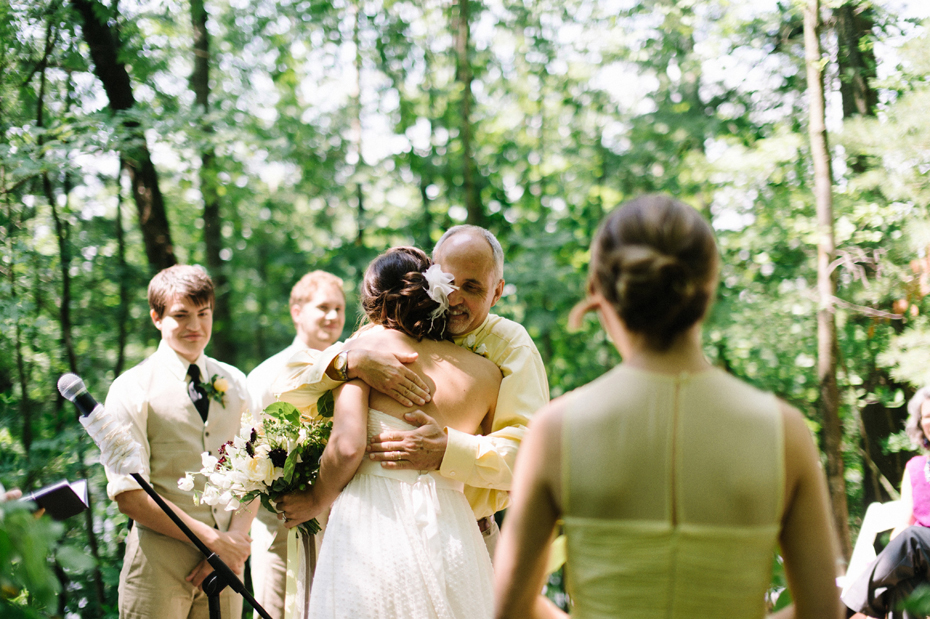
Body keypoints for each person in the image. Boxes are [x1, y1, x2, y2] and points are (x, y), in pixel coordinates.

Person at [493, 195, 841, 619]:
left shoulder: (556, 429)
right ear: (709, 287)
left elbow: (510, 609)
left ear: (598, 292)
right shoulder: (784, 431)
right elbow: (822, 611)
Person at [273, 225, 549, 556]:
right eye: (446, 282)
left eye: (472, 287)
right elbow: (288, 385)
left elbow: (533, 457)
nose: (454, 297)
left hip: (470, 535)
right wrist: (351, 362)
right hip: (383, 533)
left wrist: (449, 450)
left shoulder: (510, 348)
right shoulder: (383, 334)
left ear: (497, 291)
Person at [277, 247, 501, 618]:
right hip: (454, 528)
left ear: (373, 302)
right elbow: (494, 467)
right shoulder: (487, 374)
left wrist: (316, 498)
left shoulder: (364, 352)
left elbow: (348, 446)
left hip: (372, 527)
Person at [103, 264, 255, 619]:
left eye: (204, 314)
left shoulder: (235, 381)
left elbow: (254, 471)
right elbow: (129, 495)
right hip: (159, 565)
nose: (195, 326)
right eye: (181, 315)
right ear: (156, 317)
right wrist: (213, 543)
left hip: (228, 562)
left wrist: (233, 546)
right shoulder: (131, 388)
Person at [246, 270, 346, 619]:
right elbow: (248, 451)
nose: (333, 316)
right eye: (323, 307)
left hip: (343, 529)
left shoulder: (354, 375)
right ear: (296, 311)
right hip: (279, 529)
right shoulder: (265, 376)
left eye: (339, 308)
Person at [841, 387, 930, 619]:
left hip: (921, 545)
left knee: (913, 538)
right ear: (920, 424)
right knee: (907, 585)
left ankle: (845, 611)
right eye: (927, 416)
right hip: (922, 561)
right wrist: (889, 563)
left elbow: (910, 536)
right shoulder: (915, 468)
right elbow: (902, 527)